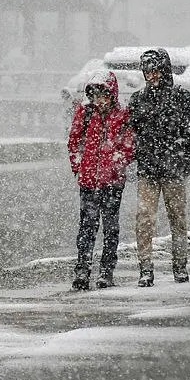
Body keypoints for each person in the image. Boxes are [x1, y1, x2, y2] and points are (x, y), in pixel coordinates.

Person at [126, 48, 190, 287]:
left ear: (165, 70)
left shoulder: (181, 98)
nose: (152, 75)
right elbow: (131, 134)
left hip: (172, 169)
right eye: (148, 71)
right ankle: (146, 268)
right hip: (149, 169)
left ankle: (179, 266)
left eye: (156, 70)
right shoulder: (138, 100)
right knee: (145, 219)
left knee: (177, 218)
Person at [67, 70, 134, 290]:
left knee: (110, 227)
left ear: (112, 94)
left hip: (112, 183)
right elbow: (74, 141)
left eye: (104, 95)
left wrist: (115, 165)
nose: (99, 100)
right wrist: (79, 165)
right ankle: (82, 270)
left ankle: (107, 271)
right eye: (95, 95)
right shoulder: (85, 114)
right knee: (87, 227)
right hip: (88, 182)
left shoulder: (123, 115)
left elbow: (128, 146)